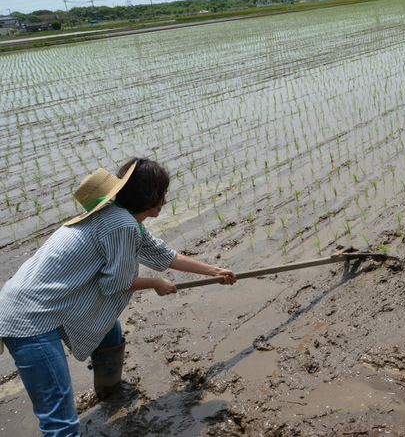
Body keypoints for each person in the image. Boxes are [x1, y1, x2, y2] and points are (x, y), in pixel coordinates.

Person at [0, 157, 236, 437]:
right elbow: (116, 284)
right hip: (29, 319)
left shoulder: (122, 217)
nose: (165, 199)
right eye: (163, 192)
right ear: (150, 197)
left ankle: (110, 392)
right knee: (60, 421)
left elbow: (163, 254)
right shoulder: (120, 224)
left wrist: (214, 270)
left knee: (109, 329)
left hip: (30, 300)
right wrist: (154, 283)